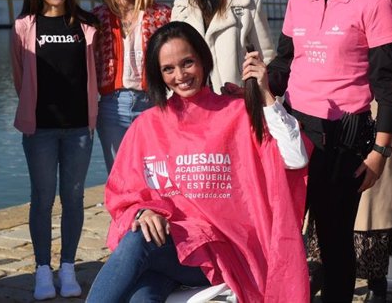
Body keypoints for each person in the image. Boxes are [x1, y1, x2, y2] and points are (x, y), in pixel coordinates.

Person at [87, 21, 310, 302]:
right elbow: (123, 193)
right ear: (158, 74)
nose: (180, 75)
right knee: (141, 295)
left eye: (187, 62)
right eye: (168, 69)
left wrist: (265, 94)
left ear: (203, 60)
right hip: (170, 247)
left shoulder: (239, 112)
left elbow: (295, 157)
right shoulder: (147, 125)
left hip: (225, 251)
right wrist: (143, 212)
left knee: (137, 244)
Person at [267, 0, 392, 303]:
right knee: (286, 234)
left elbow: (388, 84)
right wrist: (256, 82)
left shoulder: (375, 2)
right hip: (294, 133)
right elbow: (284, 62)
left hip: (343, 139)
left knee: (334, 241)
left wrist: (380, 151)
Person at [304, 0, 392, 302]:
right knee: (325, 236)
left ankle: (375, 290)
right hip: (320, 127)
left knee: (368, 229)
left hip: (368, 123)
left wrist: (377, 101)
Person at [11, 0, 100, 300]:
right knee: (42, 199)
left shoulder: (86, 24)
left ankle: (67, 267)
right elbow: (20, 79)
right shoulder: (24, 27)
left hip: (79, 128)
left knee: (74, 198)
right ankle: (42, 270)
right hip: (41, 131)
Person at [93, 0, 170, 173]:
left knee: (155, 177)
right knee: (120, 178)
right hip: (112, 107)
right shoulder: (98, 17)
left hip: (152, 103)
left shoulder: (162, 15)